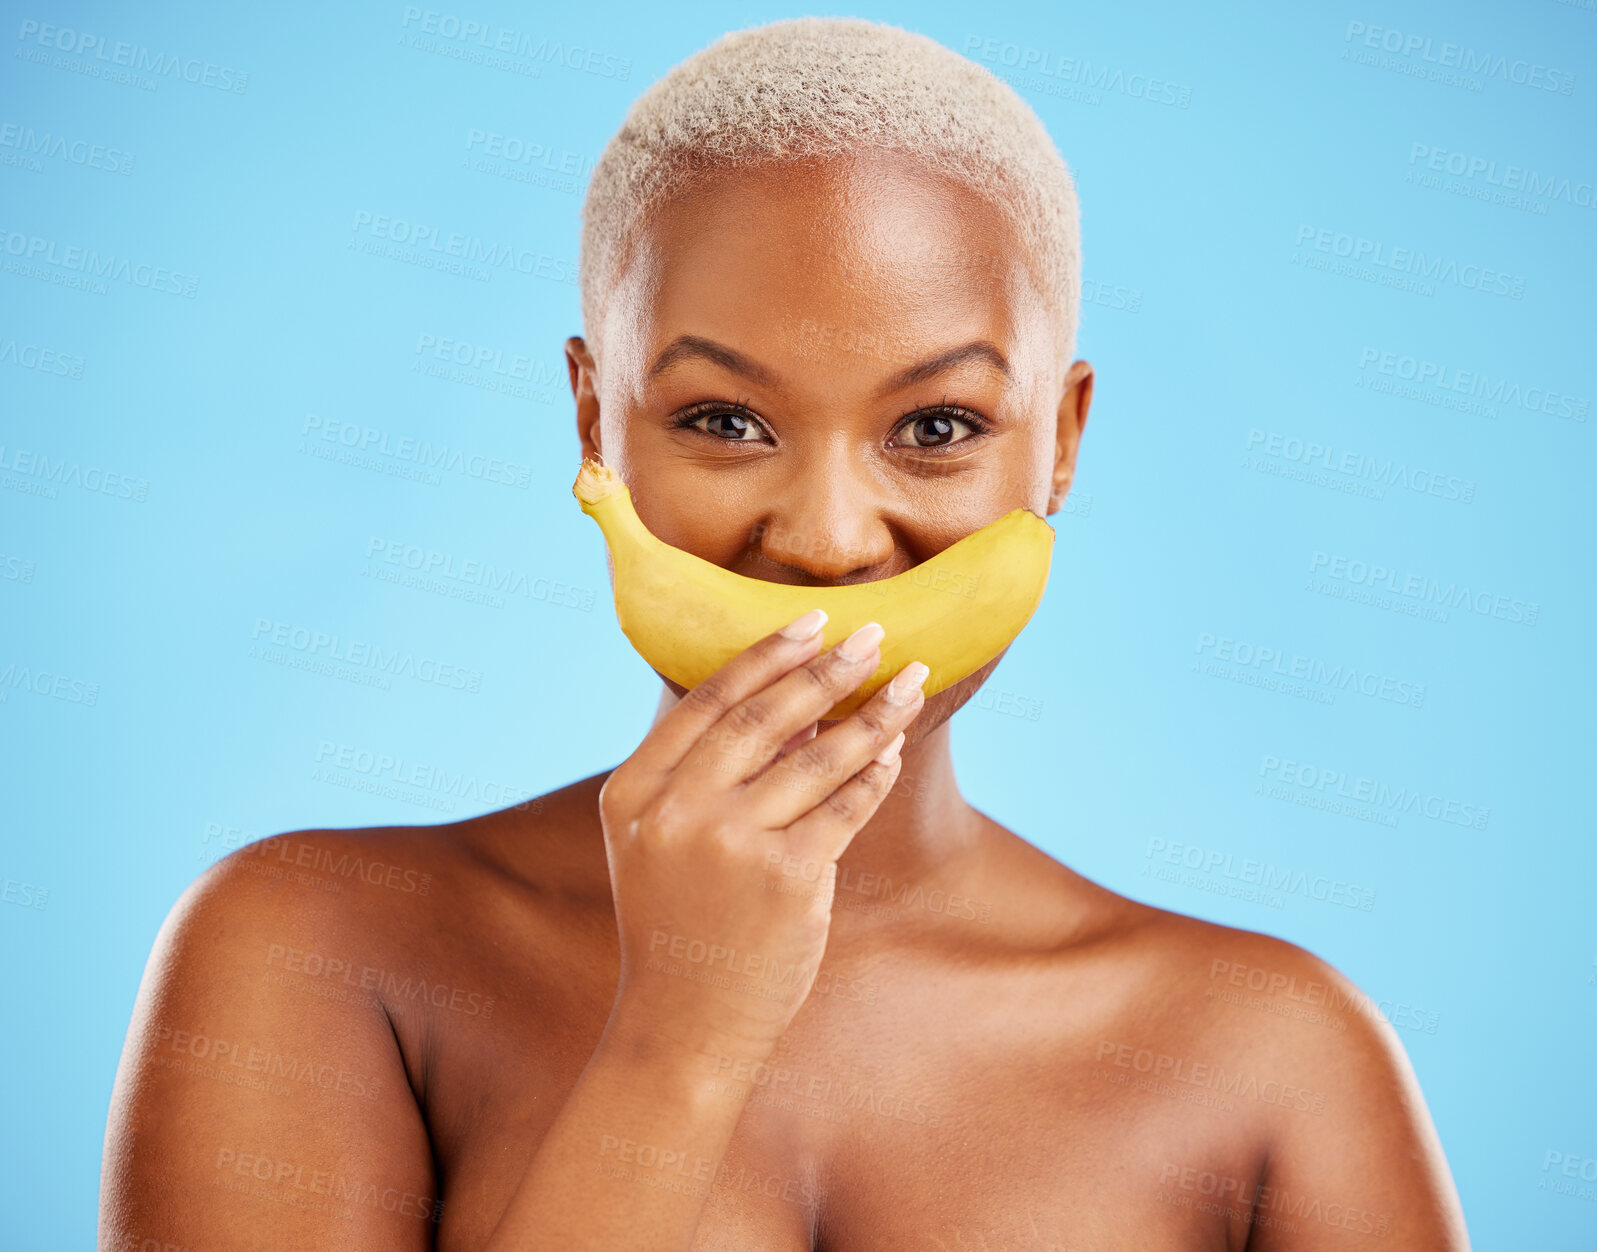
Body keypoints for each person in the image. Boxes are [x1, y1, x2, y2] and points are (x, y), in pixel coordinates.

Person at [100, 17, 1470, 1250]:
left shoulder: (1272, 1056)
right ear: (595, 422)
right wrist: (679, 1036)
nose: (824, 539)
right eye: (721, 421)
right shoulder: (318, 952)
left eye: (936, 429)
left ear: (1058, 443)